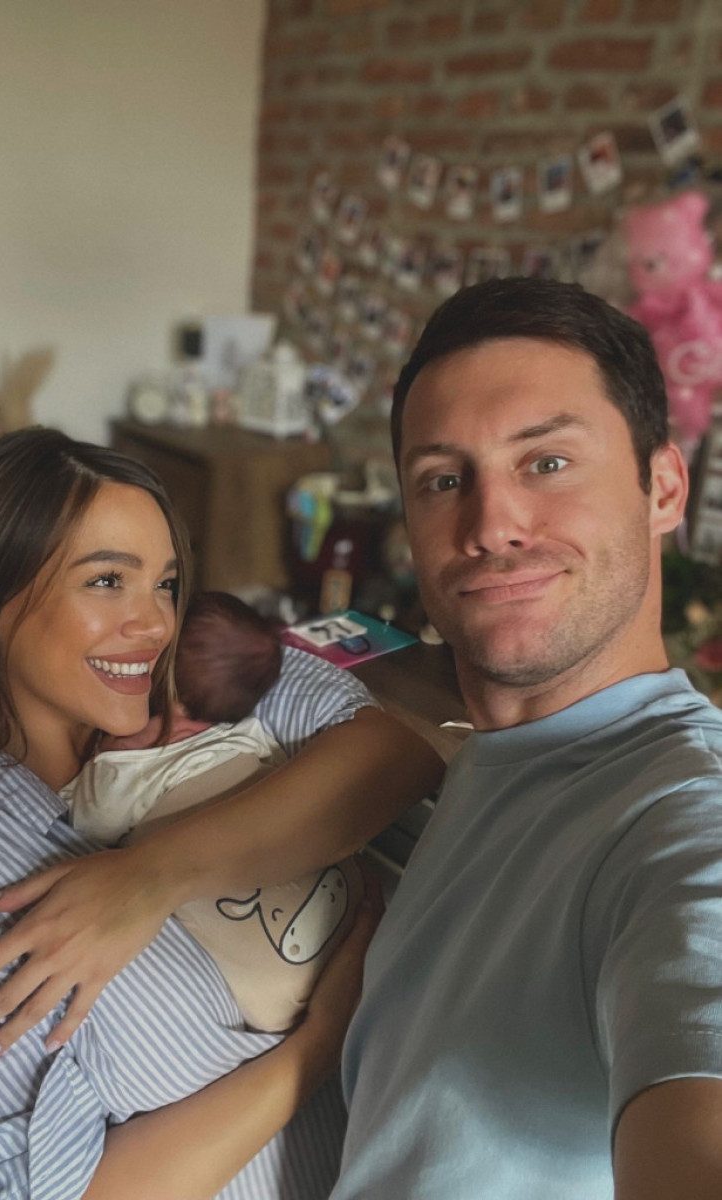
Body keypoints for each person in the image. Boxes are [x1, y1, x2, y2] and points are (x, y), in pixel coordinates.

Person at [0, 429, 442, 1200]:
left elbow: (395, 758)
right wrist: (317, 1047)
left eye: (165, 584)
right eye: (107, 580)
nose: (153, 624)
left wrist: (151, 875)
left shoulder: (197, 676)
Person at [331, 276, 722, 1199]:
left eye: (546, 462)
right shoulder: (497, 748)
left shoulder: (683, 816)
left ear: (663, 488)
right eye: (443, 480)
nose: (491, 525)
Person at [65, 589, 363, 1033]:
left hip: (269, 993)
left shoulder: (123, 766)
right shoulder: (253, 734)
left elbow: (86, 825)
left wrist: (87, 764)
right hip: (354, 926)